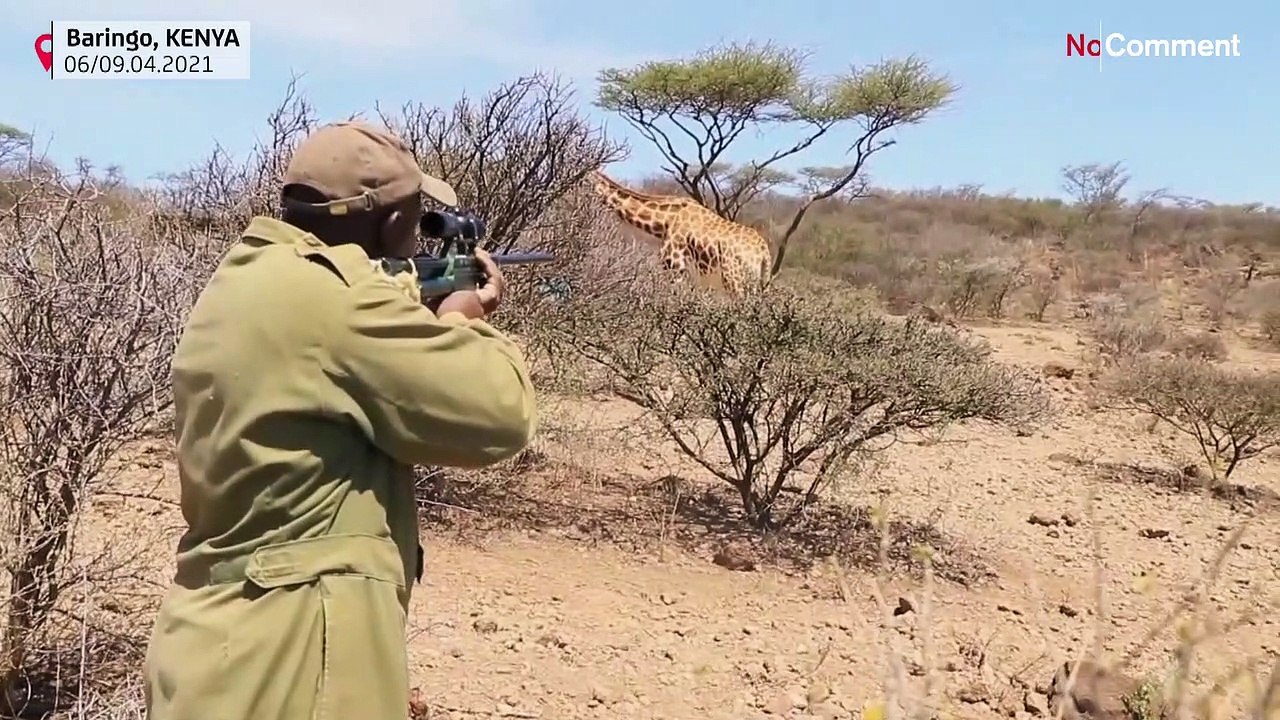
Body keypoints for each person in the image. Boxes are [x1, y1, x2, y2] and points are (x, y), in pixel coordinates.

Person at [143, 121, 537, 719]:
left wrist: (412, 301)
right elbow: (500, 415)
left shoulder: (252, 277)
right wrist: (461, 320)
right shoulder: (341, 301)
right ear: (392, 221)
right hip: (291, 656)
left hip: (219, 642)